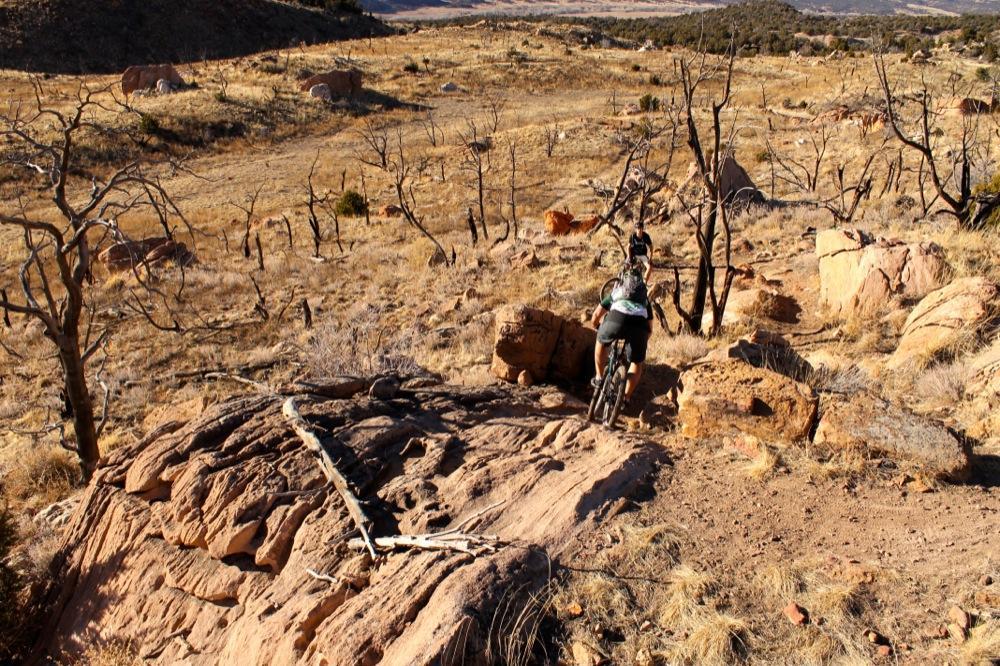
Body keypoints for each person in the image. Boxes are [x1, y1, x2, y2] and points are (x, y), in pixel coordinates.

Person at [590, 262, 653, 404]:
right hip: (639, 326)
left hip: (616, 319)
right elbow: (650, 329)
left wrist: (597, 327)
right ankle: (625, 397)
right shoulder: (644, 299)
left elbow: (596, 315)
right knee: (637, 363)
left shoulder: (617, 291)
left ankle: (599, 378)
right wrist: (641, 342)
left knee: (600, 341)